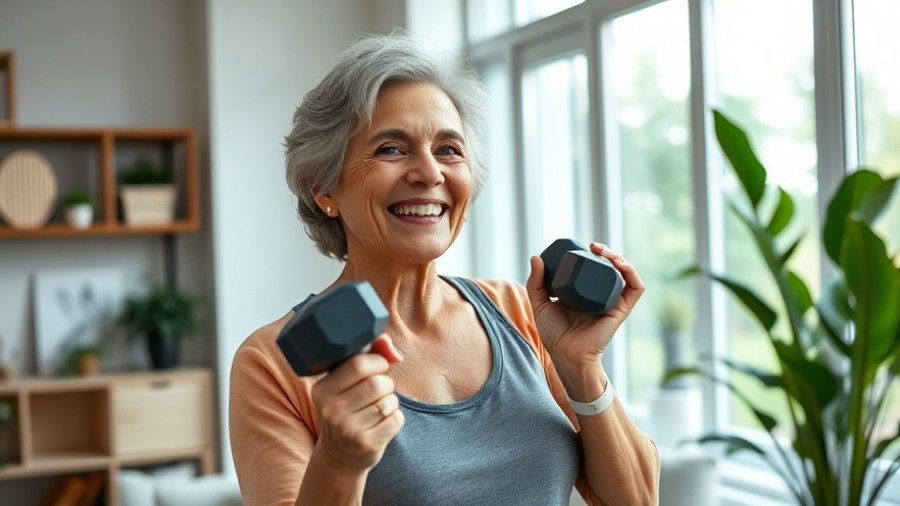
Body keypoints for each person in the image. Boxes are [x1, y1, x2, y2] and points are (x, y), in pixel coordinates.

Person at [229, 31, 659, 506]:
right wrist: (338, 460)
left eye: (448, 149)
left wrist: (581, 368)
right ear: (322, 188)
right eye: (392, 149)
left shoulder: (516, 309)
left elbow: (637, 500)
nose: (430, 172)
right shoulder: (272, 364)